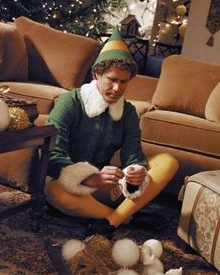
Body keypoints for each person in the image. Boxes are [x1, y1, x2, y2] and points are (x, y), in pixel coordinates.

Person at [44, 27, 179, 237]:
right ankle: (129, 218)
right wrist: (89, 178)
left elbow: (133, 155)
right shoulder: (69, 102)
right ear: (97, 73)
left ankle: (110, 221)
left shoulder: (129, 113)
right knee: (56, 193)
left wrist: (136, 172)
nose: (117, 89)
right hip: (69, 185)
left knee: (168, 161)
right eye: (111, 79)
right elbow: (51, 155)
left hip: (104, 187)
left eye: (123, 82)